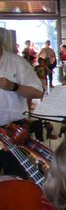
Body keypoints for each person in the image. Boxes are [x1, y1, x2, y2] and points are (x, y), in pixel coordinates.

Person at [0, 33, 45, 176]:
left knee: (17, 178)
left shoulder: (17, 62)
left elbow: (38, 92)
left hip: (12, 131)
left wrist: (13, 86)